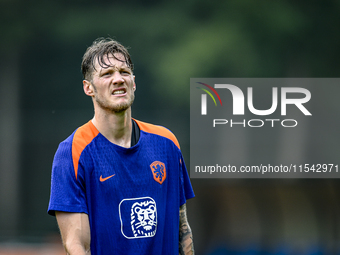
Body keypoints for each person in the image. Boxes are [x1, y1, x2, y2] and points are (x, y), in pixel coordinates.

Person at [48, 38, 195, 255]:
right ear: (88, 88)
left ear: (133, 83)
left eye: (124, 72)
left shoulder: (167, 143)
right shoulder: (73, 152)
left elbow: (183, 229)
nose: (118, 79)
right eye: (107, 74)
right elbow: (76, 245)